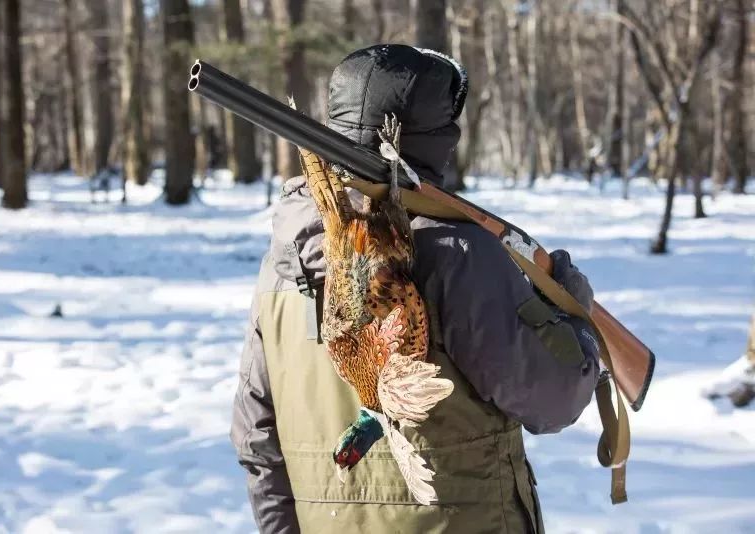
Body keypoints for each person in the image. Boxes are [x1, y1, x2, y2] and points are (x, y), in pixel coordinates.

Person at [231, 44, 600, 533]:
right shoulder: (459, 254)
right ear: (436, 139)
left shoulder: (281, 261)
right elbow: (554, 400)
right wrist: (576, 321)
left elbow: (256, 439)